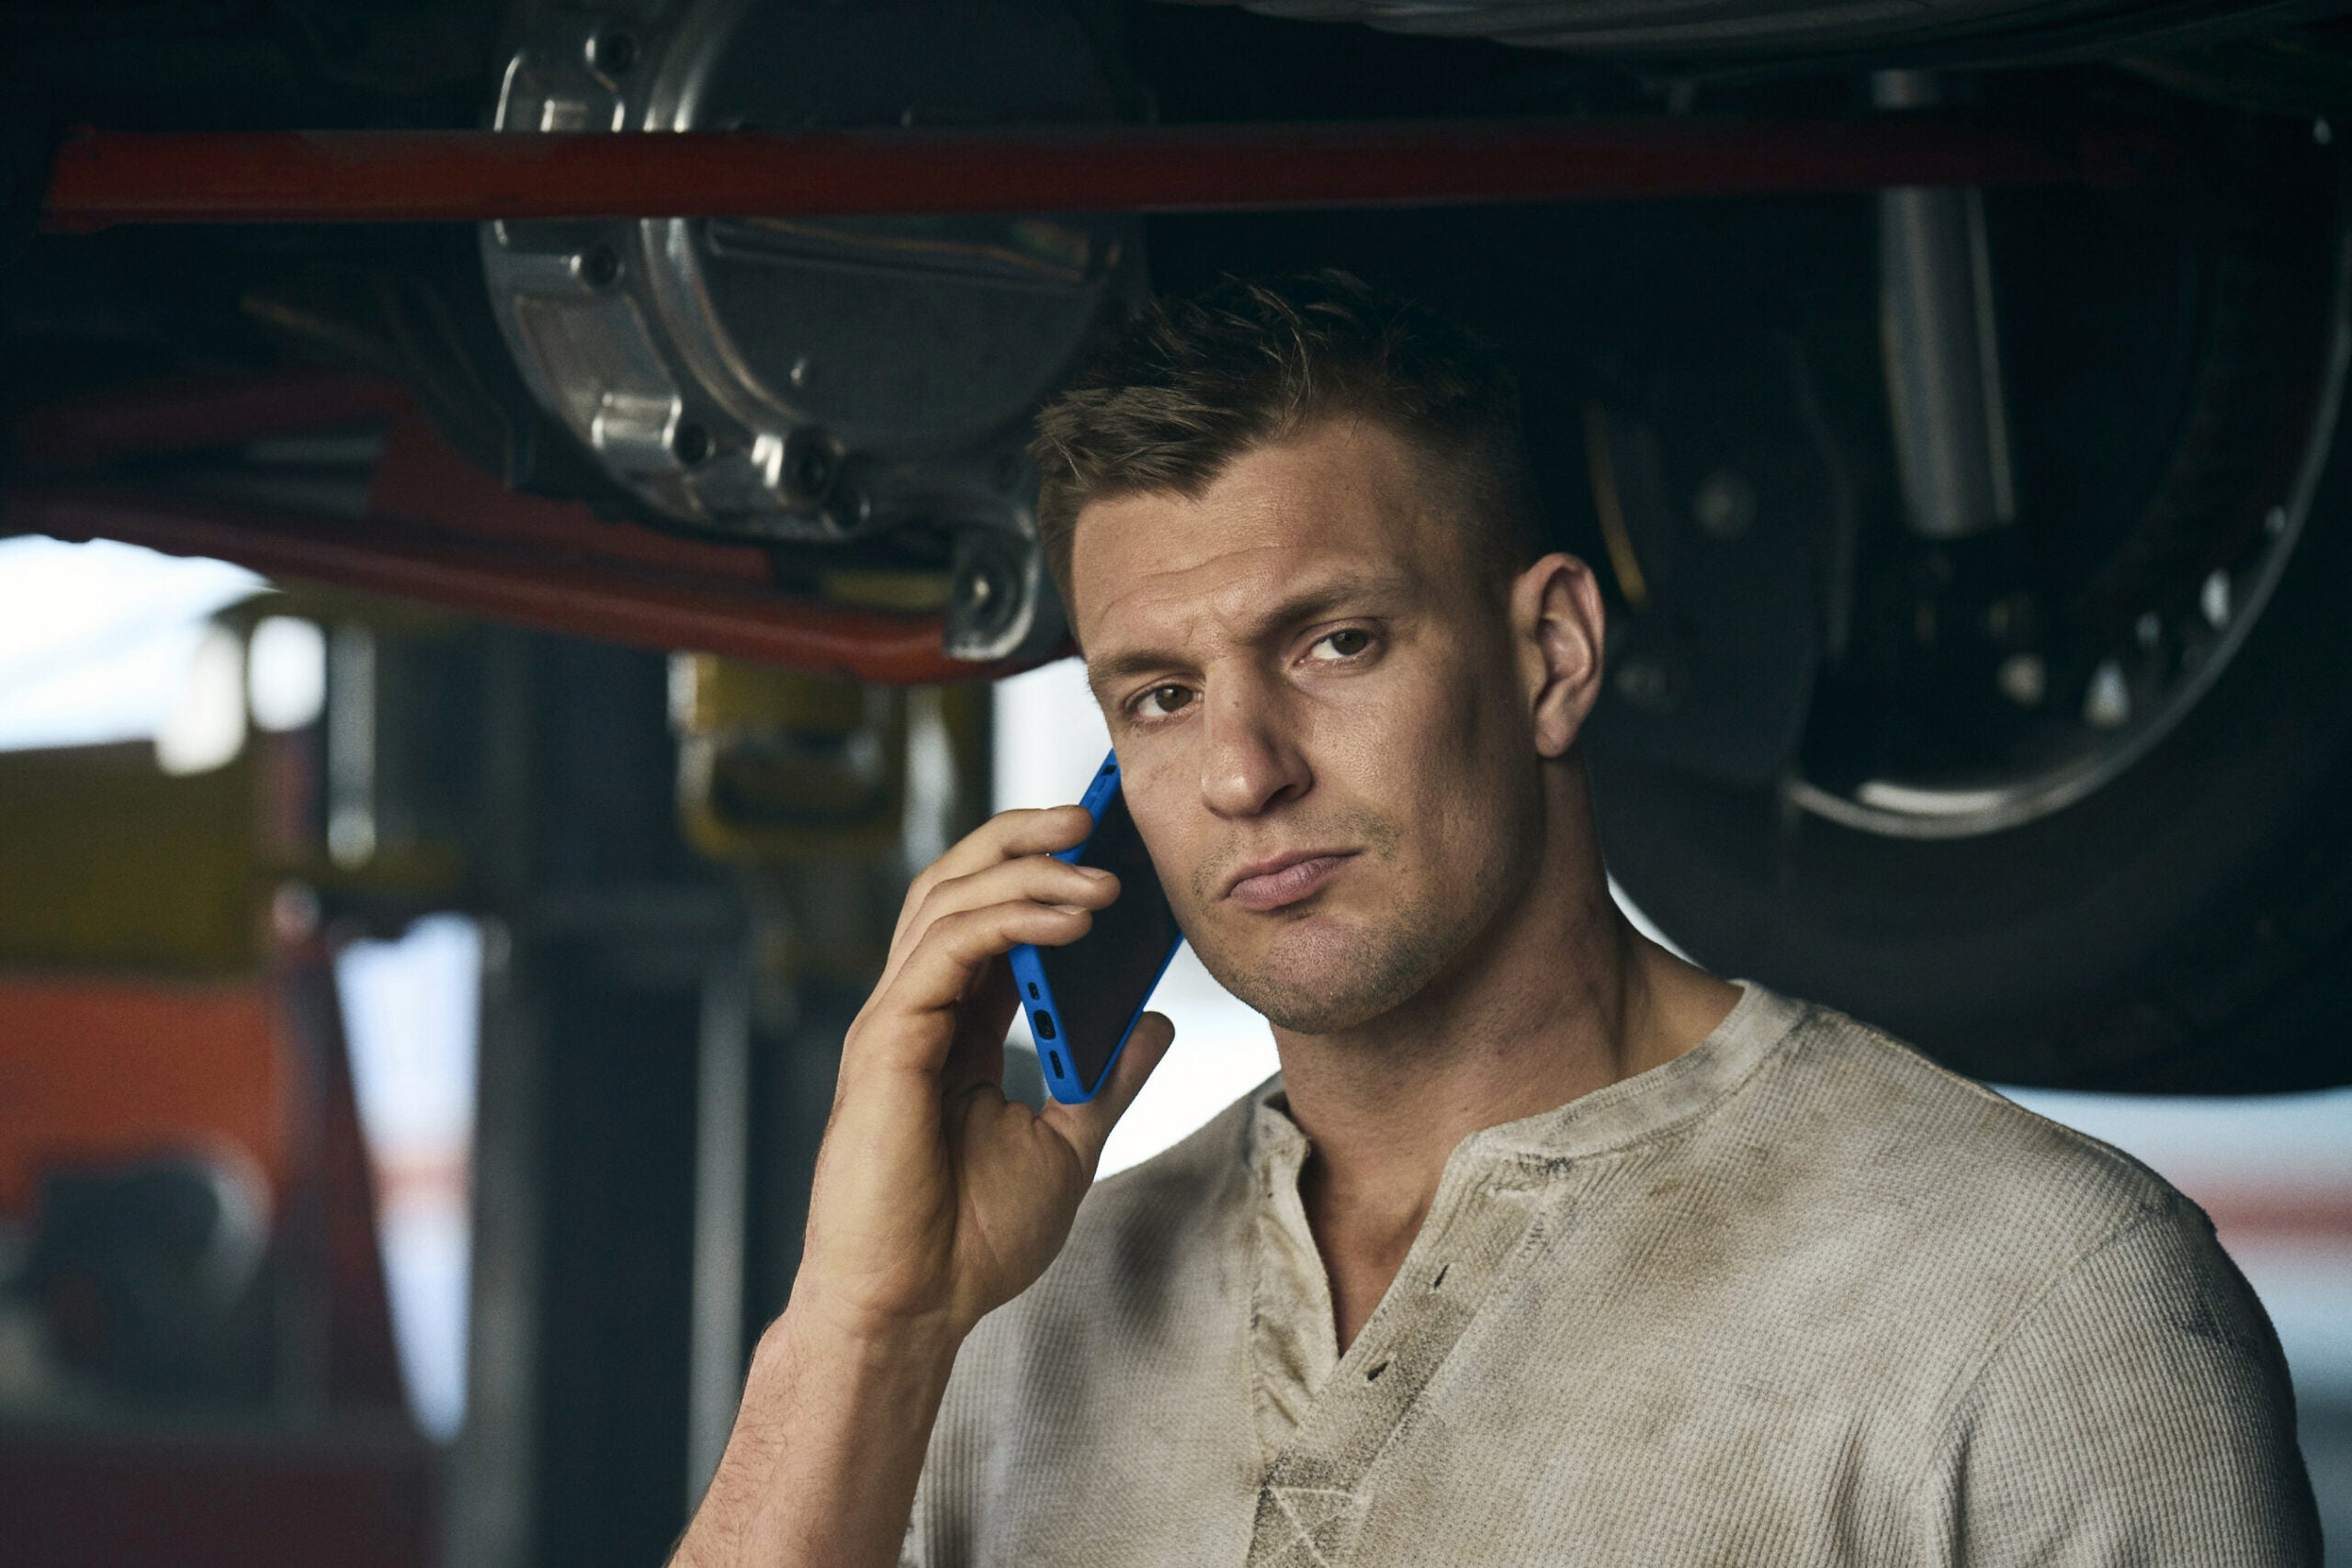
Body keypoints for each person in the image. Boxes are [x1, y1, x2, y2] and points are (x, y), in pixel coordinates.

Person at [672, 272, 2320, 1567]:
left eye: (1336, 645)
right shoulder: (981, 1340)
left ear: (1552, 656)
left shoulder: (2035, 1306)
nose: (1242, 771)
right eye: (1161, 696)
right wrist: (865, 1321)